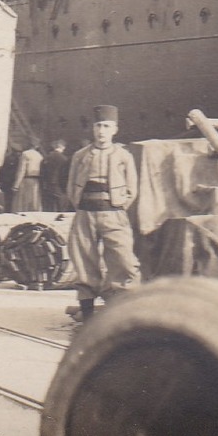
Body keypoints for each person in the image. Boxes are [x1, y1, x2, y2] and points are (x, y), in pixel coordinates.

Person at [67, 105, 141, 321]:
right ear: (93, 128)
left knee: (124, 260)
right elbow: (71, 185)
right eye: (98, 126)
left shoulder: (124, 156)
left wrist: (116, 207)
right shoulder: (80, 156)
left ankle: (123, 308)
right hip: (85, 215)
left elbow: (132, 189)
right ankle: (88, 314)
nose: (101, 131)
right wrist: (81, 206)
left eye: (106, 126)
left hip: (114, 214)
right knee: (84, 261)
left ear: (115, 129)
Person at [40, 138, 71, 212]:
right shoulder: (64, 159)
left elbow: (42, 171)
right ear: (62, 147)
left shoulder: (47, 157)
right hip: (59, 184)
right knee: (60, 204)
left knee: (48, 206)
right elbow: (65, 173)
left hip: (47, 184)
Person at [13, 141, 44, 212]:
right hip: (36, 181)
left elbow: (21, 170)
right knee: (34, 201)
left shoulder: (25, 154)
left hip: (26, 180)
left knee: (23, 202)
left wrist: (16, 185)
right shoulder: (39, 155)